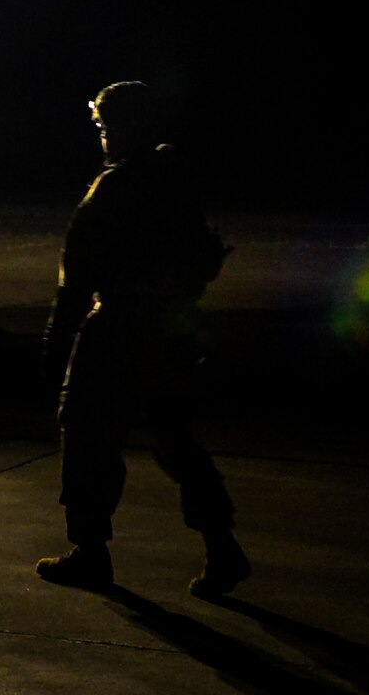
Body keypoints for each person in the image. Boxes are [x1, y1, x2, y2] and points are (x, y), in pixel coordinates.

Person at [34, 81, 249, 597]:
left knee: (87, 434)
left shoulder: (115, 188)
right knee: (173, 436)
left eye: (107, 127)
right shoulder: (174, 182)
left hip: (116, 331)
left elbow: (77, 275)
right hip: (168, 329)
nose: (103, 138)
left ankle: (90, 551)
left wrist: (55, 341)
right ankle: (222, 546)